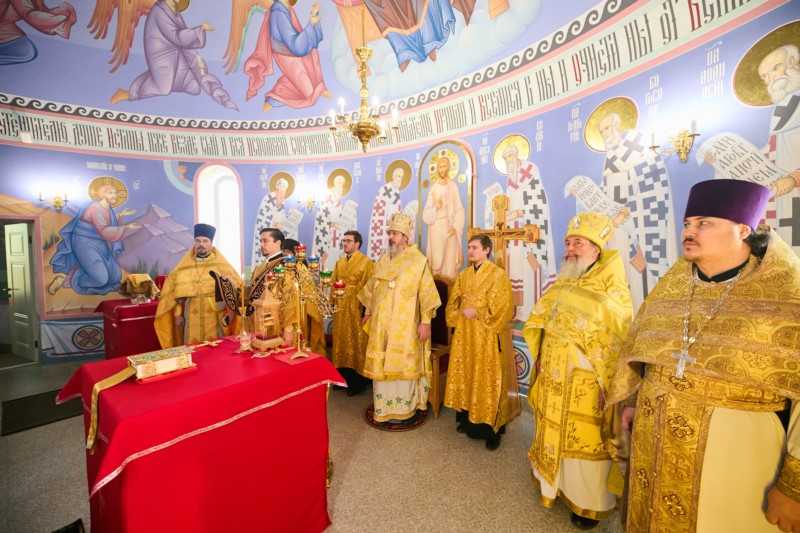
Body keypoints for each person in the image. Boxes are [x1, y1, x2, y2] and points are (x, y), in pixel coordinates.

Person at [606, 179, 800, 533]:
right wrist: (633, 400)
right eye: (687, 223)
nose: (689, 232)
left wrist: (794, 487)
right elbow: (644, 349)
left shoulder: (787, 292)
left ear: (743, 229)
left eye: (704, 223)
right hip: (654, 440)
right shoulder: (674, 286)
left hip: (736, 457)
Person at [523, 211, 633, 530]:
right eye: (568, 242)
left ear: (596, 250)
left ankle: (586, 503)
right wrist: (541, 355)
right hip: (553, 372)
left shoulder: (611, 291)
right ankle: (552, 485)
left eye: (578, 243)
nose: (570, 249)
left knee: (582, 437)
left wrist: (609, 385)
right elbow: (545, 322)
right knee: (552, 429)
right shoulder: (564, 283)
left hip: (586, 382)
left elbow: (619, 341)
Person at [358, 213, 441, 422]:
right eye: (390, 233)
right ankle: (383, 408)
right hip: (381, 323)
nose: (391, 237)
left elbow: (427, 294)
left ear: (405, 236)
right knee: (382, 364)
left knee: (403, 364)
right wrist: (367, 312)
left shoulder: (418, 261)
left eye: (395, 234)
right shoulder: (384, 259)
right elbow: (372, 288)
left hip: (405, 325)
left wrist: (425, 322)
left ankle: (405, 408)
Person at [598, 111, 676, 309]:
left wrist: (626, 211)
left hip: (639, 224)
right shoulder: (610, 156)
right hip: (616, 230)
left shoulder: (640, 146)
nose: (605, 134)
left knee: (641, 276)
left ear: (619, 126)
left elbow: (653, 190)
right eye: (601, 132)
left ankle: (644, 315)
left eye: (607, 128)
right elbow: (606, 191)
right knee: (621, 274)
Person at [443, 234, 513, 450]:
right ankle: (467, 419)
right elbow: (453, 302)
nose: (471, 251)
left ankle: (491, 430)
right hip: (465, 334)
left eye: (475, 247)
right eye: (469, 247)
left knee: (486, 376)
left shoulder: (498, 275)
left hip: (487, 336)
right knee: (467, 373)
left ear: (486, 250)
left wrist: (479, 312)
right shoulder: (464, 275)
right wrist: (456, 317)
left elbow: (504, 308)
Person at [108, 0, 236, 109]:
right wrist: (200, 29)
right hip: (161, 54)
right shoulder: (159, 11)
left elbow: (184, 40)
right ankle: (127, 93)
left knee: (194, 87)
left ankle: (169, 79)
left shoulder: (175, 12)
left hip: (176, 52)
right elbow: (177, 37)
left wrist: (198, 65)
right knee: (163, 89)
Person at [155, 223, 239, 348]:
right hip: (191, 312)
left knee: (216, 347)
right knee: (192, 347)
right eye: (198, 241)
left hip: (215, 312)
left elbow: (235, 290)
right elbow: (177, 293)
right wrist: (178, 315)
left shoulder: (222, 264)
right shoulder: (185, 265)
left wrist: (232, 312)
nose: (201, 244)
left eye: (205, 241)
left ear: (211, 244)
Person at [49, 183, 140, 295]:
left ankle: (81, 272)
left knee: (115, 276)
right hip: (84, 241)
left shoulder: (107, 208)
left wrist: (121, 214)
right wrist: (126, 227)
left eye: (116, 193)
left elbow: (107, 223)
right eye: (110, 193)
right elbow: (103, 230)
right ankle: (66, 280)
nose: (114, 195)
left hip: (98, 241)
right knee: (101, 279)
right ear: (103, 194)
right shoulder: (95, 208)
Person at [501, 144, 557, 320]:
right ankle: (517, 311)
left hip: (529, 226)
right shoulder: (510, 178)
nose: (508, 161)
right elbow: (509, 200)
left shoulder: (530, 170)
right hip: (513, 230)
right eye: (505, 158)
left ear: (517, 155)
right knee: (515, 268)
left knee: (529, 268)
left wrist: (520, 213)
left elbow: (538, 201)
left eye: (510, 156)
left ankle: (530, 310)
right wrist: (506, 212)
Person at [244, 0, 331, 111]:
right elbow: (295, 46)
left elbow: (297, 39)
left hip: (292, 49)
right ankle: (273, 99)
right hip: (286, 55)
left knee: (312, 56)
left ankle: (320, 87)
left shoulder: (286, 6)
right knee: (309, 94)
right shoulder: (278, 12)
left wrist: (314, 17)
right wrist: (311, 23)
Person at [331, 230, 375, 396]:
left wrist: (366, 311)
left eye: (348, 241)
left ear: (357, 244)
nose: (345, 243)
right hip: (340, 309)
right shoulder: (340, 262)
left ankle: (358, 383)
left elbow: (370, 288)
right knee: (340, 342)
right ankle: (342, 379)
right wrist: (332, 302)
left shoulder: (366, 262)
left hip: (357, 309)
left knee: (357, 343)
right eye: (344, 241)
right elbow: (333, 281)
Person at [422, 154, 465, 280]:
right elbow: (426, 214)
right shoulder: (433, 189)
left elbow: (459, 209)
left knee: (449, 259)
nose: (442, 169)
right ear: (437, 169)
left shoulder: (453, 187)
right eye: (440, 166)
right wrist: (436, 207)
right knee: (437, 258)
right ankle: (436, 284)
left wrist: (455, 227)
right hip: (436, 228)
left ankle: (449, 285)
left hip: (450, 227)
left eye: (444, 166)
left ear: (448, 168)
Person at [368, 167, 404, 261]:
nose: (399, 179)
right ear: (393, 176)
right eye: (398, 176)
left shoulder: (397, 192)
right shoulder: (384, 189)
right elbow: (379, 209)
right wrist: (386, 222)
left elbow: (398, 210)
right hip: (383, 225)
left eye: (401, 177)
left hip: (393, 226)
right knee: (382, 251)